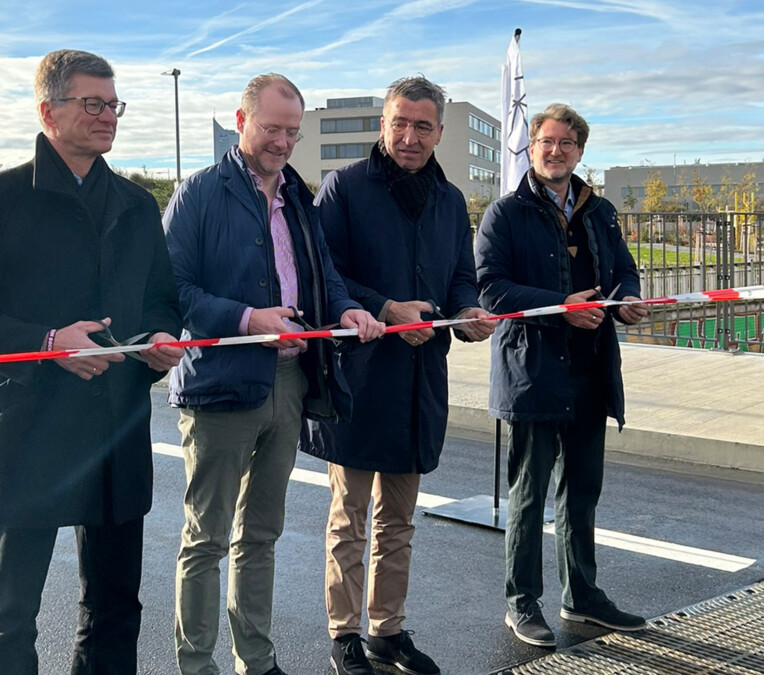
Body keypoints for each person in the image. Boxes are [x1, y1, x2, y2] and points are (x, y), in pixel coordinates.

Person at [0, 49, 184, 675]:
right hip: (32, 435)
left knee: (115, 610)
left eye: (114, 104)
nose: (107, 116)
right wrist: (48, 341)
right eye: (92, 103)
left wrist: (160, 340)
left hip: (117, 433)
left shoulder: (135, 204)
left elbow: (162, 300)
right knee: (10, 615)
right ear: (48, 112)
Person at [163, 73, 384, 675]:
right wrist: (247, 318)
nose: (283, 142)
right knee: (206, 539)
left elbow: (323, 274)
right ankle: (196, 667)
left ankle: (256, 662)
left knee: (260, 534)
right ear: (241, 121)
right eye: (271, 129)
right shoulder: (198, 193)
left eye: (292, 132)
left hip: (289, 384)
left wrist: (346, 308)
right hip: (219, 385)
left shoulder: (299, 196)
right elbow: (172, 289)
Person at [302, 76, 495, 675]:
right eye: (400, 124)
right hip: (360, 378)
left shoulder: (449, 199)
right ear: (383, 125)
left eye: (423, 126)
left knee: (399, 520)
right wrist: (386, 309)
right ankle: (344, 634)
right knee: (349, 519)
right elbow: (323, 274)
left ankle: (387, 630)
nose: (410, 137)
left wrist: (466, 311)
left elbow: (460, 276)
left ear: (439, 132)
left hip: (419, 377)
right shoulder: (345, 188)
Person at [474, 103, 648, 649]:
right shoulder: (505, 213)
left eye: (566, 143)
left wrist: (627, 301)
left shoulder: (601, 211)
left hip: (592, 370)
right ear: (531, 147)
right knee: (529, 495)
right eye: (546, 142)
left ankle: (583, 596)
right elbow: (490, 289)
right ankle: (521, 601)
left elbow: (624, 272)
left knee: (582, 492)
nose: (555, 151)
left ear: (580, 151)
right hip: (533, 372)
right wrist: (559, 306)